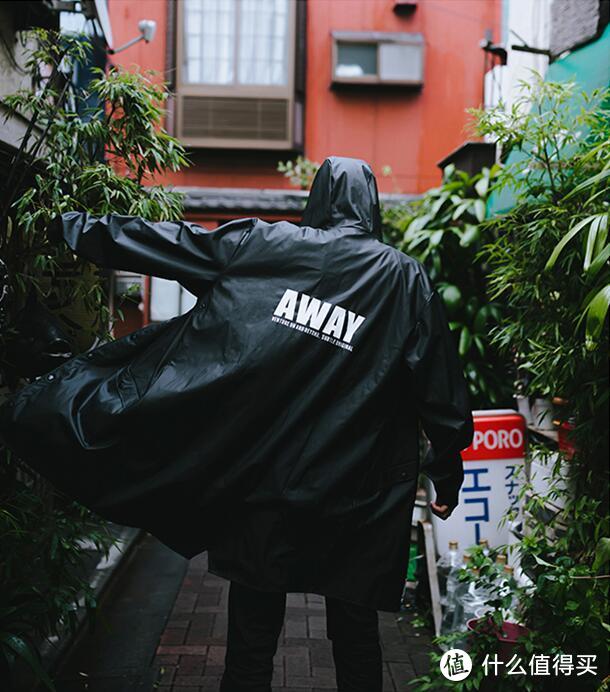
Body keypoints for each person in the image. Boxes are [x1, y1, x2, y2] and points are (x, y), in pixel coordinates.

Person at [0, 157, 473, 692]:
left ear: (316, 199)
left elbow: (168, 243)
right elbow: (442, 392)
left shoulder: (265, 246)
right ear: (370, 205)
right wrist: (446, 471)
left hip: (264, 484)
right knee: (357, 637)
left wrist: (70, 225)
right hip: (358, 496)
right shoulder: (403, 279)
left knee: (252, 640)